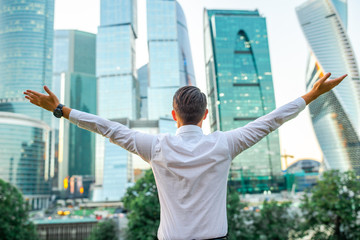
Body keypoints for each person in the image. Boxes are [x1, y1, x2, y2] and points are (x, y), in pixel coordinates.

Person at [24, 72, 346, 240]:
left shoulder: (156, 146)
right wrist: (311, 95)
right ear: (205, 115)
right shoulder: (225, 144)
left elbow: (108, 128)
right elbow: (271, 120)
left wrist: (59, 109)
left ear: (174, 115)